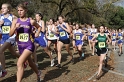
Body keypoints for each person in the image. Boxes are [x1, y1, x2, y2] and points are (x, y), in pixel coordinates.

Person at [9, 3, 41, 82]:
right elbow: (10, 34)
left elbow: (39, 27)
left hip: (29, 45)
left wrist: (37, 33)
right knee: (30, 62)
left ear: (25, 11)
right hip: (20, 45)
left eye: (21, 10)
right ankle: (38, 72)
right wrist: (15, 27)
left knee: (19, 63)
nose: (19, 12)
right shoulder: (15, 21)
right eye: (18, 10)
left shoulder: (30, 21)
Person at [0, 3, 20, 77]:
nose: (2, 9)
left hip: (11, 37)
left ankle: (3, 70)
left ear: (8, 9)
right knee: (14, 53)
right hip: (3, 37)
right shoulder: (0, 17)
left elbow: (18, 25)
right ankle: (24, 59)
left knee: (0, 51)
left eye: (4, 8)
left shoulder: (13, 17)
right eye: (2, 8)